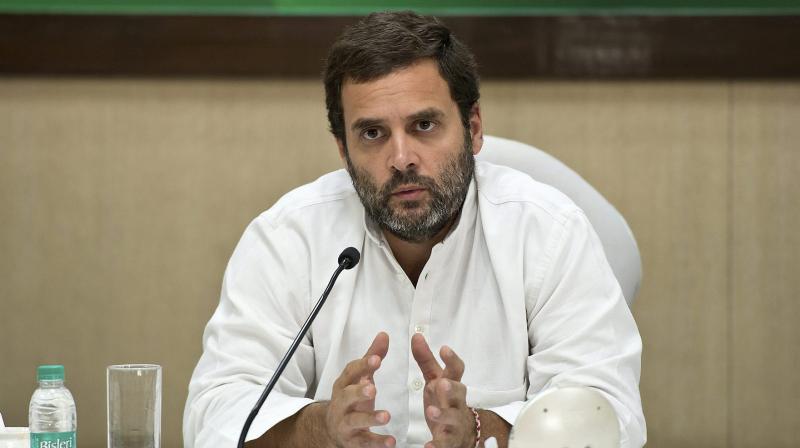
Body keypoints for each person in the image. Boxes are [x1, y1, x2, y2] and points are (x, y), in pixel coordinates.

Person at [183, 10, 646, 448]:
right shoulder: (287, 239)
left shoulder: (548, 234)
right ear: (343, 151)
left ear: (474, 127)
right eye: (372, 133)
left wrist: (481, 430)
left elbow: (609, 417)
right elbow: (214, 416)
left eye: (424, 125)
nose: (401, 158)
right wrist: (323, 429)